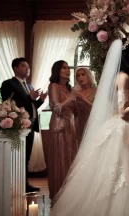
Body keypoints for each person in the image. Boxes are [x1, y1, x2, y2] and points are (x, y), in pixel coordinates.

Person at [22, 37, 129, 216]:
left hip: (127, 129)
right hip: (124, 128)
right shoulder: (123, 77)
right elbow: (123, 112)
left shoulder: (125, 76)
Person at [0, 58, 47, 193]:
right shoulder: (8, 84)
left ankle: (24, 184)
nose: (27, 68)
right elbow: (9, 103)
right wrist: (30, 97)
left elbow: (31, 107)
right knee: (17, 156)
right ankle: (14, 184)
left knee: (26, 157)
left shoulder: (30, 86)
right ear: (15, 68)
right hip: (17, 126)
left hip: (30, 125)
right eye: (24, 66)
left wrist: (41, 101)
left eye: (28, 66)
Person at [47, 60, 79, 201]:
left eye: (68, 68)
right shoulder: (53, 86)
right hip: (59, 127)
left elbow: (75, 111)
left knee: (71, 159)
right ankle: (59, 196)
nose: (67, 70)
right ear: (57, 71)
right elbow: (56, 108)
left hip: (71, 126)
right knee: (61, 160)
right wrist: (71, 98)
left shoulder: (69, 89)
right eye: (64, 68)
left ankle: (70, 195)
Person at [73, 67, 97, 144]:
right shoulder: (75, 91)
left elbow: (97, 109)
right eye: (78, 76)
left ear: (89, 76)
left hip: (93, 123)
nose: (80, 77)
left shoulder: (96, 90)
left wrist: (83, 99)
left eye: (83, 74)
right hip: (79, 123)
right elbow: (72, 110)